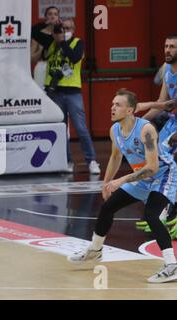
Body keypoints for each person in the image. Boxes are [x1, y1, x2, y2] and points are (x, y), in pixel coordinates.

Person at [68, 89, 177, 283]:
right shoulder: (114, 130)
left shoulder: (146, 130)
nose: (112, 108)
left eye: (117, 105)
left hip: (163, 175)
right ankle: (95, 250)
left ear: (129, 111)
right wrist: (106, 182)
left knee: (152, 215)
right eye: (112, 104)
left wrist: (121, 180)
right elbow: (116, 156)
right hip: (142, 178)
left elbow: (152, 168)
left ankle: (171, 265)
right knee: (108, 207)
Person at [44, 18, 100, 174]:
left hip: (72, 91)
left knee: (81, 128)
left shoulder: (77, 42)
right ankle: (67, 161)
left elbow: (74, 57)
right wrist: (50, 24)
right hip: (55, 92)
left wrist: (62, 42)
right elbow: (36, 35)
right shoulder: (52, 44)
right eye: (62, 28)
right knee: (62, 129)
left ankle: (91, 160)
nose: (65, 31)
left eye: (68, 28)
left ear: (74, 30)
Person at [136, 35, 177, 234]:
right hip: (173, 121)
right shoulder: (166, 69)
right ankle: (162, 210)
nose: (168, 50)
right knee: (157, 163)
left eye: (172, 47)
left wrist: (146, 105)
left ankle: (172, 213)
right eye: (166, 46)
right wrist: (139, 123)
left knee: (172, 163)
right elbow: (163, 103)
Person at [31, 6, 61, 89]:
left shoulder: (62, 34)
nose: (52, 16)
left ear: (58, 17)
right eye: (50, 14)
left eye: (55, 14)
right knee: (41, 93)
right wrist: (40, 49)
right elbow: (32, 58)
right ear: (45, 17)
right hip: (42, 66)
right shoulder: (38, 34)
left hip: (57, 66)